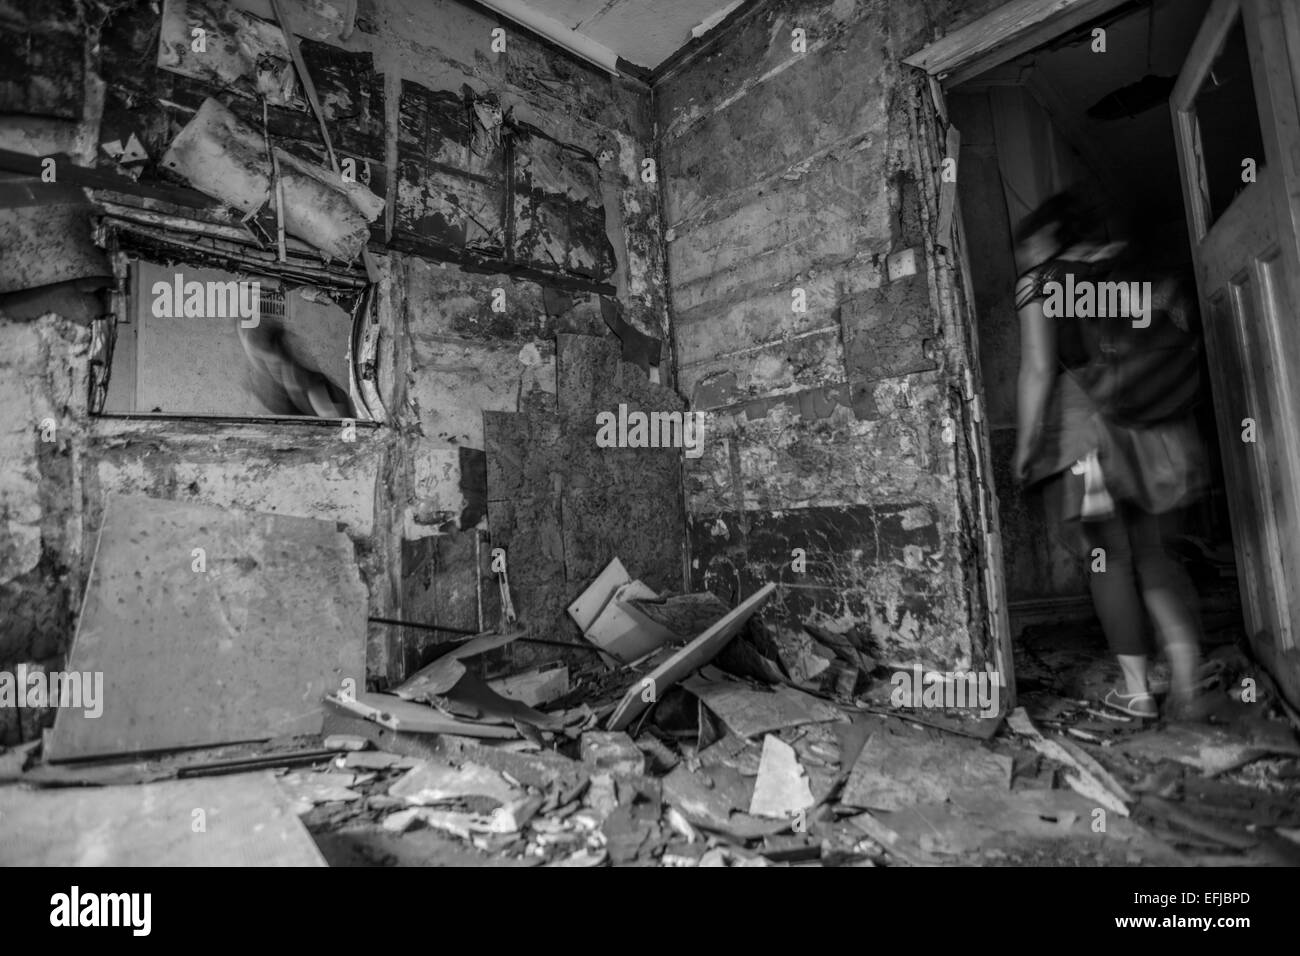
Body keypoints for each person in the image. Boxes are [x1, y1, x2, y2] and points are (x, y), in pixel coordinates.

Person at [1011, 190, 1212, 721]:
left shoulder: (1042, 281)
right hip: (1158, 437)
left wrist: (1026, 447)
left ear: (1046, 238)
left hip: (1092, 441)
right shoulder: (1135, 270)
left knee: (1109, 559)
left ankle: (1136, 691)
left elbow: (1036, 370)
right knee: (1154, 555)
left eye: (1027, 245)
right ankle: (1189, 677)